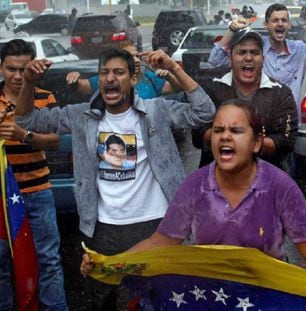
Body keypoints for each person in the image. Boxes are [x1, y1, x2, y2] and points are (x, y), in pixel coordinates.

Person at [81, 100, 306, 308]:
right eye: (218, 130)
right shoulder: (194, 186)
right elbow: (160, 244)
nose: (225, 136)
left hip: (265, 294)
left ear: (256, 143)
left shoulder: (280, 186)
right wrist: (110, 264)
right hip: (206, 295)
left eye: (236, 130)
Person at [15, 48, 215, 310]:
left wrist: (174, 68)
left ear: (133, 79)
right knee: (102, 300)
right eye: (104, 73)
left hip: (155, 225)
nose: (110, 78)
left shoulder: (156, 111)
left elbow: (205, 112)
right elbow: (27, 118)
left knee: (157, 299)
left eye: (119, 72)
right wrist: (29, 80)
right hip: (103, 228)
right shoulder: (81, 116)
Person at [0, 39, 68, 310]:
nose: (17, 76)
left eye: (23, 69)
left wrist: (23, 135)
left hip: (38, 190)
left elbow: (54, 141)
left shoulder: (44, 96)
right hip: (2, 195)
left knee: (49, 259)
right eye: (10, 69)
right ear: (1, 68)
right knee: (1, 260)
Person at [192, 29, 297, 175]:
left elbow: (287, 141)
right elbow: (197, 135)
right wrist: (246, 140)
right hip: (217, 180)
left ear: (263, 59)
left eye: (255, 53)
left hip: (266, 180)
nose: (248, 58)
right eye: (241, 52)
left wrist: (240, 141)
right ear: (230, 59)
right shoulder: (212, 89)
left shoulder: (281, 93)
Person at [208, 3, 306, 118]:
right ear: (266, 25)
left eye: (284, 20)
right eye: (275, 20)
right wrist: (232, 29)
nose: (280, 24)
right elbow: (215, 60)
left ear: (289, 25)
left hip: (289, 121)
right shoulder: (256, 49)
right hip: (257, 119)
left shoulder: (300, 50)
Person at [66, 41, 180, 99]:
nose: (135, 60)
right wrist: (73, 77)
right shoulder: (108, 80)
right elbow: (80, 87)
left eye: (137, 56)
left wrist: (171, 71)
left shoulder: (149, 77)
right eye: (130, 57)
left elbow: (178, 87)